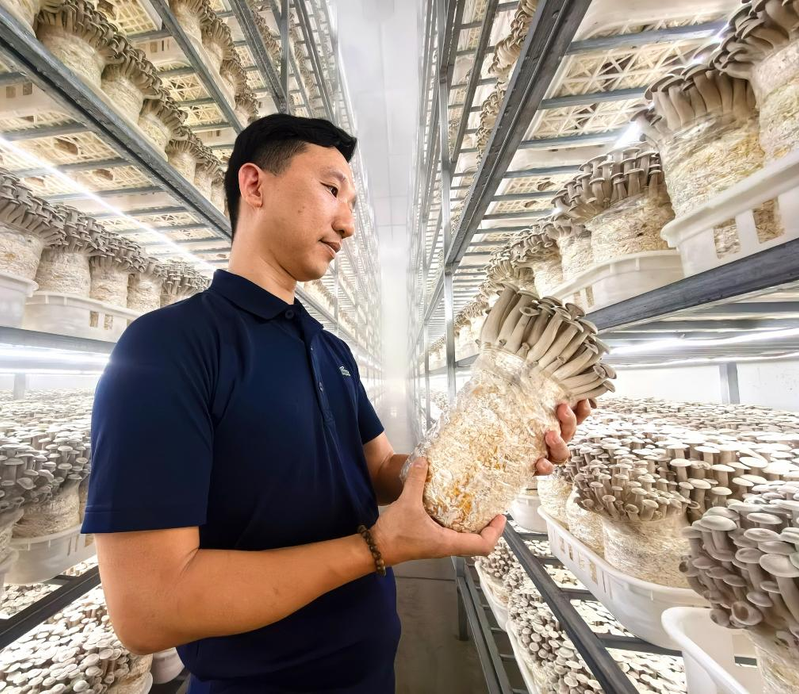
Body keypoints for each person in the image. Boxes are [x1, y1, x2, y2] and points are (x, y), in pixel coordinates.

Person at [82, 114, 591, 694]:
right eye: (331, 190)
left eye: (352, 204)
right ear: (255, 185)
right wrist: (377, 547)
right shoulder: (168, 347)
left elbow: (378, 471)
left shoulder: (330, 350)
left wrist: (498, 450)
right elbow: (148, 609)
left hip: (371, 673)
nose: (347, 224)